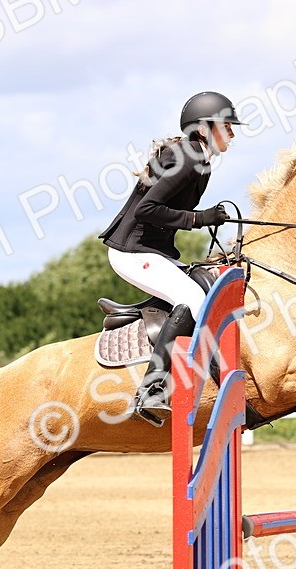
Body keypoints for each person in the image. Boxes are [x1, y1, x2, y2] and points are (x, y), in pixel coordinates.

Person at [99, 91, 241, 422]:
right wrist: (199, 219)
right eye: (227, 127)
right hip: (131, 251)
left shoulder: (198, 160)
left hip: (154, 251)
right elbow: (148, 210)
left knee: (206, 285)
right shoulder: (188, 157)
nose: (233, 134)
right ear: (204, 129)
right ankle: (151, 390)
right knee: (193, 298)